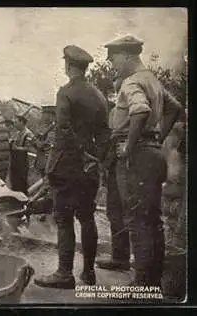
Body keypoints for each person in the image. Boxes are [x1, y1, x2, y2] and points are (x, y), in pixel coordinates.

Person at [96, 35, 183, 287]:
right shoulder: (151, 80)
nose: (112, 64)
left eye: (113, 59)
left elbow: (141, 110)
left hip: (137, 156)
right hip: (152, 153)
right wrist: (157, 138)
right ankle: (152, 280)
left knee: (138, 222)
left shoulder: (132, 81)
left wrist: (130, 146)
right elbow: (175, 107)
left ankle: (143, 284)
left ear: (126, 55)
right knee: (152, 220)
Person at [33, 45, 111, 289]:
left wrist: (63, 162)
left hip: (67, 167)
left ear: (68, 66)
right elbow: (105, 134)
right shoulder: (99, 96)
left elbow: (64, 131)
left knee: (64, 219)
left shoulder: (65, 92)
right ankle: (88, 273)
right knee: (87, 218)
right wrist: (94, 157)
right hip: (89, 169)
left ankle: (64, 273)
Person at [9, 112, 36, 193]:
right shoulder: (18, 133)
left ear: (21, 122)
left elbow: (29, 148)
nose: (15, 124)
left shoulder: (28, 134)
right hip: (15, 161)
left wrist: (17, 148)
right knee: (14, 182)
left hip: (22, 162)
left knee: (22, 183)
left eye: (16, 122)